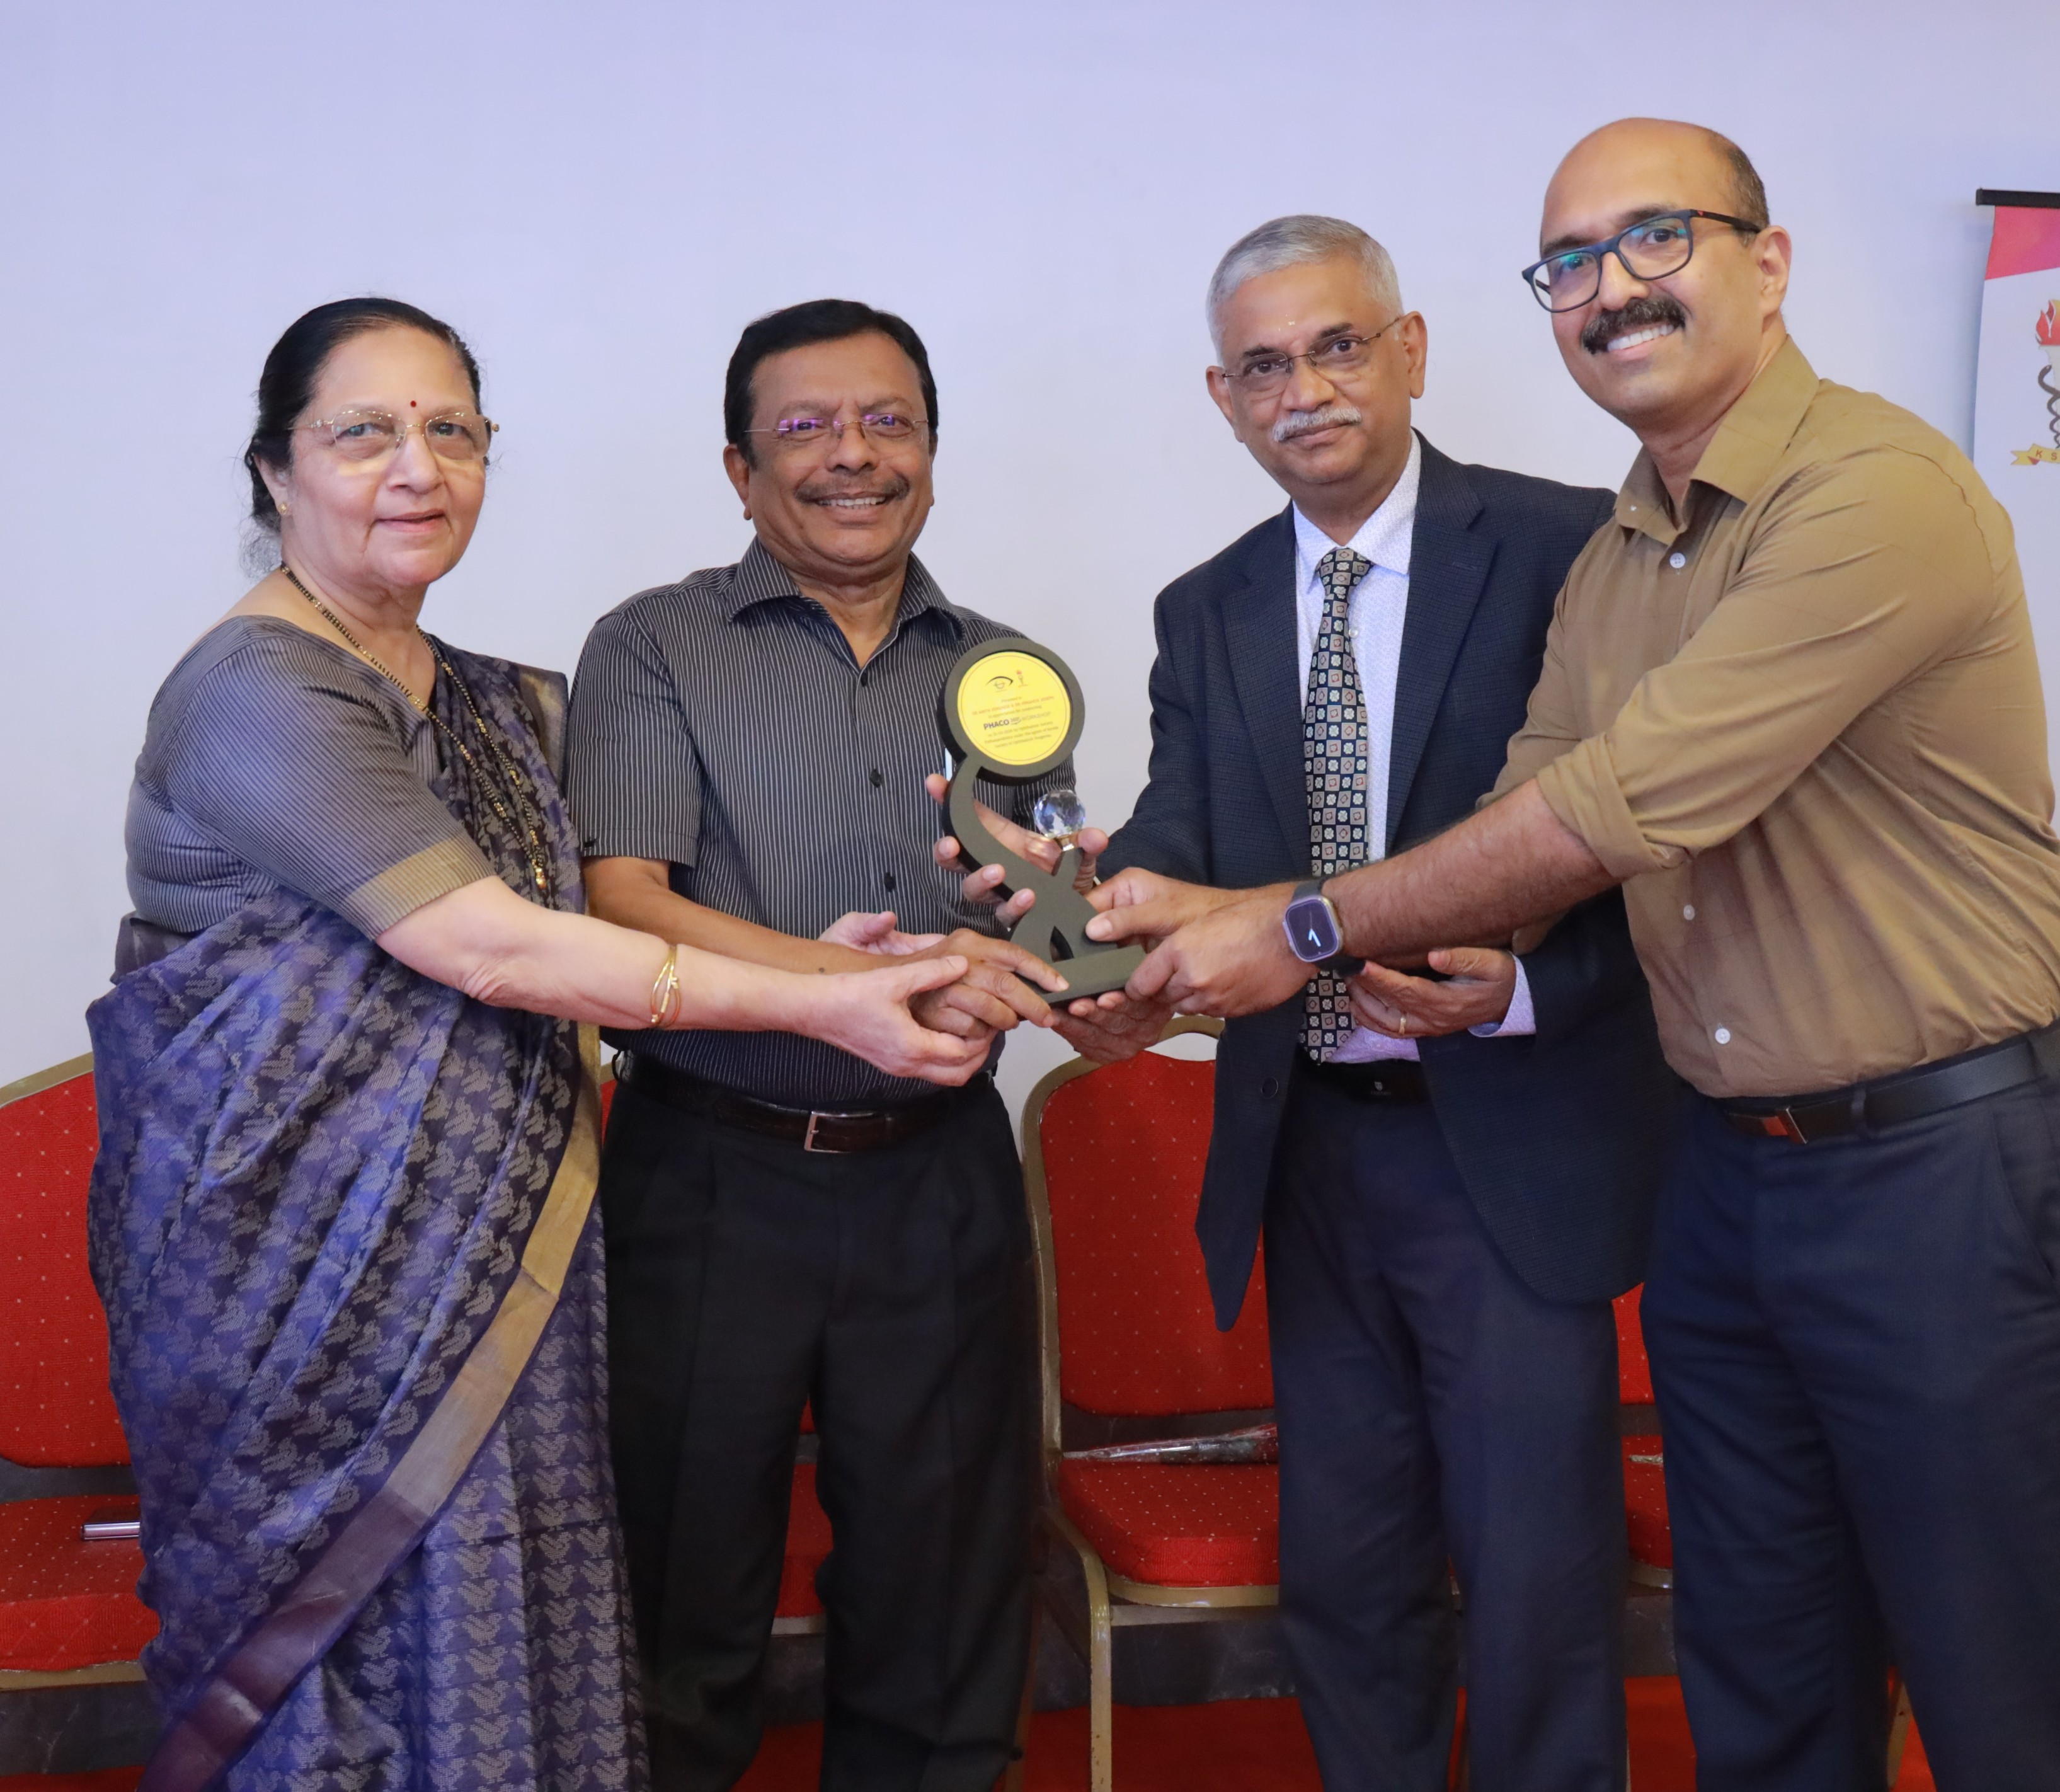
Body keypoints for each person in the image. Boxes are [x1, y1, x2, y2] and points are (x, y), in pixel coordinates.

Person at [1089, 123, 2060, 1791]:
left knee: (1995, 1667)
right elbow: (1521, 800)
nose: (1611, 288)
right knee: (1763, 1659)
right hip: (1722, 1171)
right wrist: (1113, 929)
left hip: (1930, 1161)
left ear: (1767, 260)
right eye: (1570, 264)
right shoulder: (1627, 550)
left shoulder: (1871, 491)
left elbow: (1616, 807)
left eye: (1656, 239)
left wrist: (1303, 928)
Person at [87, 297, 986, 1792]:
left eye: (452, 431)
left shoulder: (503, 703)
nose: (416, 467)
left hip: (509, 1275)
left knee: (511, 1646)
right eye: (363, 433)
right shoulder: (258, 690)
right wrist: (823, 998)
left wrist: (842, 956)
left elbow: (628, 913)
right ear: (274, 470)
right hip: (296, 1300)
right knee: (332, 1670)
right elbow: (492, 947)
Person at [947, 217, 1676, 1792]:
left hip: (1511, 1139)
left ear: (1410, 351)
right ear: (1224, 399)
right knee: (1350, 1574)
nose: (1306, 390)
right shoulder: (1206, 607)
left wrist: (1530, 989)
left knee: (1538, 1575)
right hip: (1310, 1145)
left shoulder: (1570, 548)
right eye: (1265, 366)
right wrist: (1081, 909)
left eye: (1339, 347)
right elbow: (1182, 848)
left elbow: (1662, 843)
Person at [564, 299, 1071, 1792]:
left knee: (947, 1595)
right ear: (740, 469)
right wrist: (853, 988)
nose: (855, 455)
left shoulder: (1006, 671)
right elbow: (622, 898)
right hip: (711, 1174)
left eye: (888, 422)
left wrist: (1038, 964)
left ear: (932, 452)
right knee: (681, 1600)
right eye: (806, 428)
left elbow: (1033, 920)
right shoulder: (654, 645)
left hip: (940, 1179)